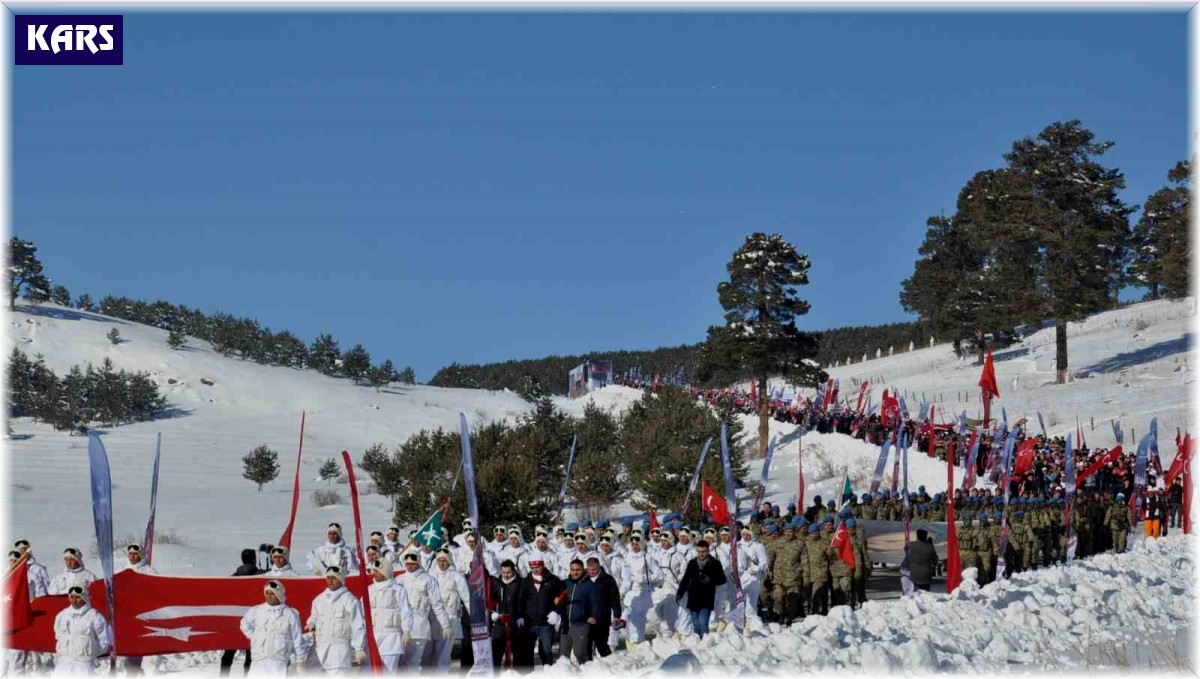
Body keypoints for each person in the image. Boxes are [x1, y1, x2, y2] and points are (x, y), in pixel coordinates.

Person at [238, 580, 309, 676]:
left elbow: (297, 640)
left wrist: (300, 662)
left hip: (279, 663)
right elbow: (244, 624)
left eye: (272, 593)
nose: (268, 596)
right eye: (267, 593)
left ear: (279, 594)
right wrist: (254, 637)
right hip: (258, 662)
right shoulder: (256, 610)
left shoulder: (290, 614)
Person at [305, 566, 365, 673]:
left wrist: (359, 649)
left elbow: (358, 625)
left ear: (341, 579)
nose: (330, 581)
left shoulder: (350, 600)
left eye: (334, 578)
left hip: (339, 652)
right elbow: (313, 616)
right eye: (328, 578)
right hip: (320, 651)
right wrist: (311, 623)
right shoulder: (319, 599)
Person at [221, 548, 265, 676]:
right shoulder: (260, 577)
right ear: (254, 560)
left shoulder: (232, 579)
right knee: (251, 655)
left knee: (229, 652)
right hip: (253, 622)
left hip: (234, 621)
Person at [52, 584, 112, 676]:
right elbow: (58, 636)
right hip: (63, 665)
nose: (74, 600)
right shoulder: (62, 616)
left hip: (85, 666)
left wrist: (92, 653)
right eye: (72, 597)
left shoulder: (95, 616)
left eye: (78, 597)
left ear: (84, 597)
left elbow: (104, 641)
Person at [367, 558, 412, 672]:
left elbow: (406, 611)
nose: (374, 573)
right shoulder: (369, 590)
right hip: (373, 636)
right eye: (374, 570)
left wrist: (406, 631)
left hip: (391, 638)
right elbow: (362, 613)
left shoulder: (398, 590)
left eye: (377, 571)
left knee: (388, 672)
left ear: (385, 573)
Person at [675, 540, 726, 639]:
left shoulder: (715, 563)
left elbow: (722, 579)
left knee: (703, 623)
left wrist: (711, 579)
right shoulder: (692, 563)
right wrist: (680, 593)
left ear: (708, 551)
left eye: (704, 551)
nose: (701, 554)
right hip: (693, 597)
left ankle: (705, 643)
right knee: (696, 625)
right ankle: (697, 643)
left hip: (707, 597)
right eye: (699, 551)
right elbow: (685, 579)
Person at [430, 548, 472, 670]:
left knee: (444, 651)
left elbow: (466, 598)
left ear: (449, 561)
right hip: (434, 617)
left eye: (444, 560)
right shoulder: (431, 575)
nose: (442, 563)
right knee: (433, 651)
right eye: (439, 560)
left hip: (451, 616)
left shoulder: (456, 576)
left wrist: (473, 617)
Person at [520, 558, 565, 668]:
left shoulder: (554, 580)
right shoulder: (526, 581)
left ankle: (547, 671)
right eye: (532, 568)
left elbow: (562, 597)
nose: (535, 570)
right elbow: (520, 600)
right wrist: (520, 616)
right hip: (529, 622)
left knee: (546, 650)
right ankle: (528, 674)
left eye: (537, 567)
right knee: (527, 652)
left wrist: (556, 611)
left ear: (543, 566)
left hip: (546, 622)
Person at [618, 534, 661, 648]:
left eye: (637, 543)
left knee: (653, 617)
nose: (634, 546)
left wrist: (646, 579)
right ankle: (636, 644)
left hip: (646, 591)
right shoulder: (627, 558)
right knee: (634, 620)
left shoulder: (647, 557)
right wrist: (621, 592)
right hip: (633, 592)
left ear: (641, 544)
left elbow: (659, 574)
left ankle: (663, 634)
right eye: (632, 544)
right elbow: (625, 579)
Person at [560, 559, 601, 665]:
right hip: (565, 625)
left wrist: (594, 616)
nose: (575, 572)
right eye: (572, 569)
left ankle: (587, 673)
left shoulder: (589, 585)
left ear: (583, 569)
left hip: (581, 625)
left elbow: (596, 603)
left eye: (578, 569)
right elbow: (557, 600)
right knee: (563, 656)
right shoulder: (565, 583)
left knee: (580, 653)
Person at [489, 559, 527, 668]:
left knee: (517, 653)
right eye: (503, 572)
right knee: (496, 652)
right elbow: (491, 600)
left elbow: (525, 601)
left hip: (515, 623)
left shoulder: (521, 583)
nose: (505, 575)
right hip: (500, 624)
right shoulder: (497, 584)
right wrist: (493, 613)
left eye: (508, 572)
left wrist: (522, 617)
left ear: (514, 570)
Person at [585, 556, 621, 659]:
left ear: (599, 567)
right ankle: (587, 669)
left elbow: (615, 598)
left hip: (602, 618)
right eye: (589, 569)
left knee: (602, 645)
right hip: (586, 618)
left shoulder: (608, 579)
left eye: (594, 569)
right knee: (586, 646)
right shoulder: (583, 579)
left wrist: (617, 615)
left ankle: (609, 668)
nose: (591, 572)